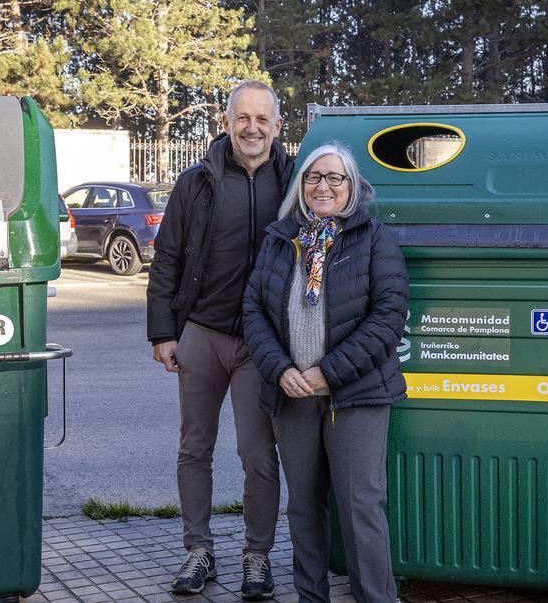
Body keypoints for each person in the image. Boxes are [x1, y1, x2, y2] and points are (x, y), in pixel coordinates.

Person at [146, 80, 294, 599]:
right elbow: (166, 259)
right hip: (202, 335)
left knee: (258, 453)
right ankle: (199, 550)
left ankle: (257, 557)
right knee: (195, 447)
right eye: (242, 118)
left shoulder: (295, 182)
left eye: (262, 119)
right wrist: (164, 332)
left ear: (279, 125)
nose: (251, 128)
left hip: (262, 344)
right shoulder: (196, 182)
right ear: (227, 123)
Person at [242, 142, 409, 602]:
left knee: (360, 507)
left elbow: (388, 316)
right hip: (291, 396)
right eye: (314, 177)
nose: (324, 186)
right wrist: (279, 370)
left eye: (336, 178)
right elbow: (252, 309)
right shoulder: (279, 239)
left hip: (355, 395)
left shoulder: (374, 239)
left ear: (352, 188)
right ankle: (310, 597)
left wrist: (327, 373)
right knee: (302, 508)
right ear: (301, 186)